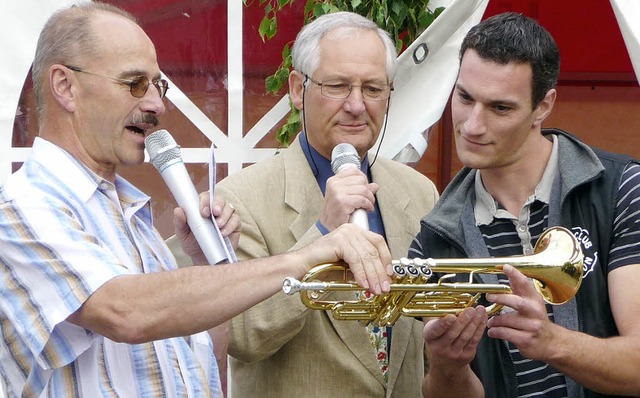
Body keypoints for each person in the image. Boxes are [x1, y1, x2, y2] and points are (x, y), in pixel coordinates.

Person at [0, 3, 396, 397]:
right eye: (135, 83)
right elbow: (124, 312)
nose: (157, 105)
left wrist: (209, 263)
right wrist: (306, 256)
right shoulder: (21, 207)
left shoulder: (128, 214)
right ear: (65, 86)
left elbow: (205, 369)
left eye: (159, 86)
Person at [413, 12, 640, 398]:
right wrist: (449, 367)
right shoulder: (433, 240)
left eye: (500, 108)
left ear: (544, 106)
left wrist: (554, 343)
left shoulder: (622, 188)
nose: (471, 125)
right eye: (464, 97)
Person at [213, 11, 438, 398]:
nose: (356, 105)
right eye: (337, 86)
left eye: (372, 88)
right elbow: (243, 335)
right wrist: (320, 234)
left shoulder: (420, 193)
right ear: (297, 89)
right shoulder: (240, 198)